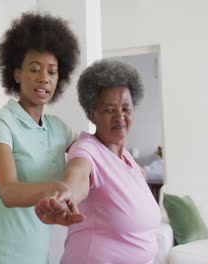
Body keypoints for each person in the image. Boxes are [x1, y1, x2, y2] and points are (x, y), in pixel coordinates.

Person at [0, 12, 81, 264]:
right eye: (35, 69)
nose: (44, 78)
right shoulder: (0, 121)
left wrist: (126, 161)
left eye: (52, 72)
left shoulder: (57, 128)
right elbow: (8, 192)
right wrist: (55, 188)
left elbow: (89, 151)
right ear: (17, 74)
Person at [35, 59, 161, 264]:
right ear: (93, 115)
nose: (120, 116)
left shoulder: (131, 163)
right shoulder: (87, 150)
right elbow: (77, 178)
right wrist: (65, 198)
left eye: (126, 108)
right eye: (110, 109)